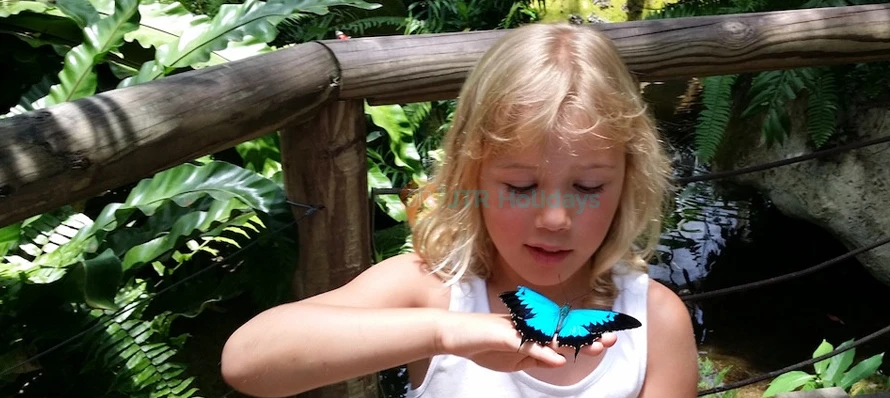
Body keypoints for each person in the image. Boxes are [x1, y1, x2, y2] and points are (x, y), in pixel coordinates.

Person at [221, 21, 700, 398]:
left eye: (589, 186)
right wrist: (444, 334)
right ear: (471, 176)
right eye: (520, 184)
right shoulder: (431, 289)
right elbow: (248, 361)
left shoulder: (655, 321)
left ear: (627, 182)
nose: (555, 218)